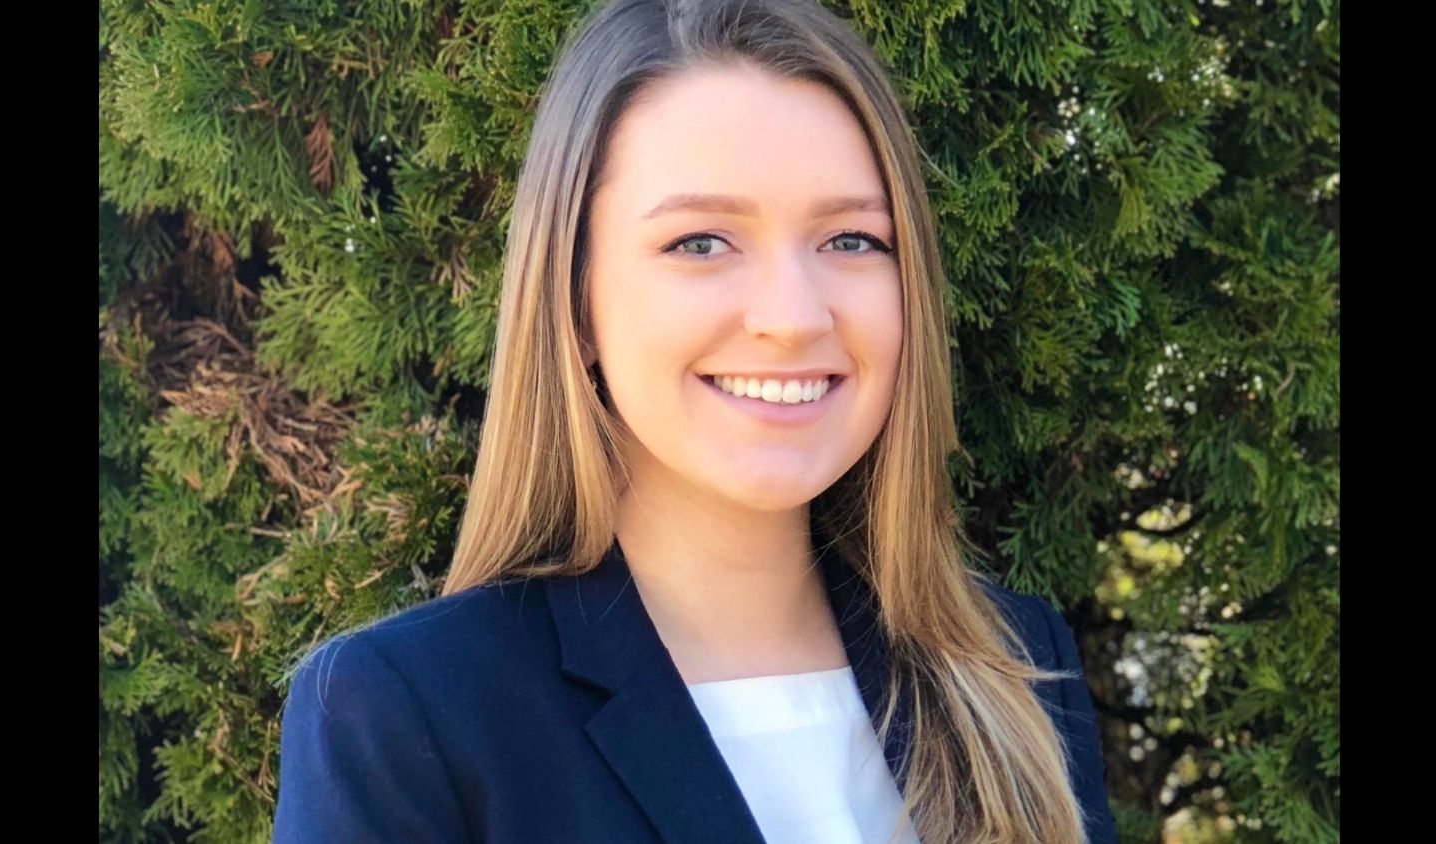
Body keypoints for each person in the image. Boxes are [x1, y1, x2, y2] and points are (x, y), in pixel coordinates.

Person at [272, 0, 1117, 841]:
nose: (793, 317)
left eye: (852, 240)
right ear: (577, 301)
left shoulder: (1014, 668)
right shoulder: (406, 711)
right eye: (701, 242)